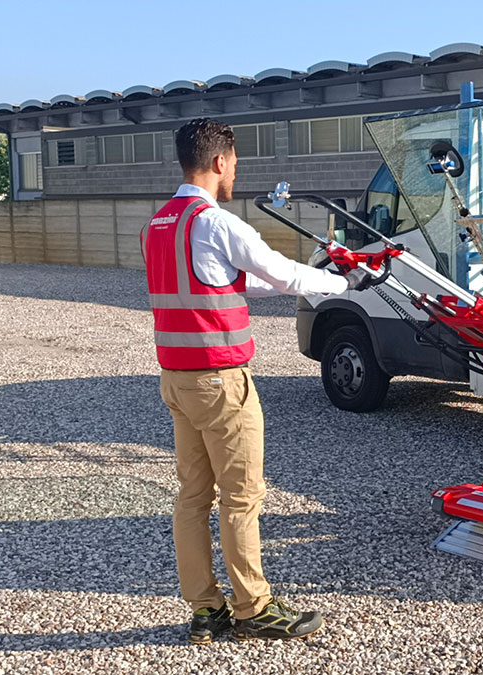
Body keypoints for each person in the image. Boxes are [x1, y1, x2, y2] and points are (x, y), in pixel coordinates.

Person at [141, 118, 367, 642]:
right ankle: (254, 608)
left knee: (193, 497)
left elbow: (231, 282)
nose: (236, 171)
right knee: (242, 497)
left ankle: (205, 609)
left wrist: (314, 279)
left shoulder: (158, 225)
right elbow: (284, 274)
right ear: (220, 161)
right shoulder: (219, 223)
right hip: (221, 382)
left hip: (177, 380)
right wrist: (346, 281)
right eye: (236, 162)